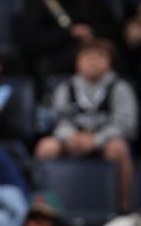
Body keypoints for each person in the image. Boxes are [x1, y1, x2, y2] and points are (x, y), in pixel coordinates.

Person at [34, 39, 138, 211]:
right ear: (77, 61)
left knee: (118, 148)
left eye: (99, 56)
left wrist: (96, 140)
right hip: (72, 141)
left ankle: (123, 208)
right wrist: (72, 137)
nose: (93, 60)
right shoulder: (66, 87)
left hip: (105, 143)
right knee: (46, 147)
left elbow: (126, 124)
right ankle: (43, 208)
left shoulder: (120, 87)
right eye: (87, 55)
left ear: (110, 62)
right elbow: (59, 120)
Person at [20, 0, 120, 79]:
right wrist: (69, 33)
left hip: (96, 50)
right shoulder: (36, 1)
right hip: (58, 57)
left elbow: (112, 27)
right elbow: (31, 40)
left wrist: (91, 32)